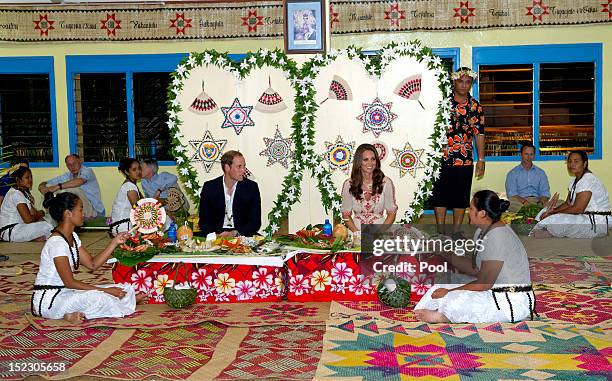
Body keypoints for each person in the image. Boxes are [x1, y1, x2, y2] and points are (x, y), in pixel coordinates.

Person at [415, 190, 536, 324]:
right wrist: (443, 252)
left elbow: (484, 284)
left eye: (471, 208)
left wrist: (449, 292)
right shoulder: (481, 231)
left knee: (452, 298)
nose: (468, 211)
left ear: (482, 213)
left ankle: (441, 316)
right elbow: (474, 269)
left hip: (510, 300)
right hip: (493, 291)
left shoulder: (498, 235)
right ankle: (441, 310)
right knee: (445, 283)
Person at [32, 192, 144, 323]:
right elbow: (70, 282)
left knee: (124, 288)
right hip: (49, 301)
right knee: (100, 297)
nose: (83, 214)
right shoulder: (57, 243)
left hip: (65, 293)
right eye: (80, 209)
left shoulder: (72, 237)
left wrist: (115, 242)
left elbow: (92, 265)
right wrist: (106, 291)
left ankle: (124, 301)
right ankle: (65, 315)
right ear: (68, 213)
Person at [429, 67, 485, 237]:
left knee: (460, 197)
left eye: (468, 82)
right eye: (460, 81)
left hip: (465, 159)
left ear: (471, 84)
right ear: (454, 82)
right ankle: (440, 231)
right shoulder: (441, 103)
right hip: (441, 159)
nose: (464, 85)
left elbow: (479, 134)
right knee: (440, 195)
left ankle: (457, 233)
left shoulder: (475, 107)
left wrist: (481, 159)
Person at [530, 151, 611, 239]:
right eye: (570, 161)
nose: (572, 164)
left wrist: (553, 214)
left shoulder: (588, 179)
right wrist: (551, 211)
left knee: (556, 219)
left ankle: (550, 232)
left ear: (584, 164)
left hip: (597, 222)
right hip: (583, 217)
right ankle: (549, 229)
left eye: (576, 161)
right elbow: (568, 204)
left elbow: (578, 209)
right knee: (544, 211)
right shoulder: (574, 181)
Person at [198, 150, 261, 237]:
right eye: (239, 166)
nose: (243, 170)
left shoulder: (251, 187)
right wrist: (214, 236)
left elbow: (255, 222)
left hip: (241, 234)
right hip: (216, 234)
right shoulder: (210, 187)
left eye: (244, 166)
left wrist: (235, 233)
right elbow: (204, 220)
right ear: (227, 167)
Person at [341, 144, 398, 233]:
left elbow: (392, 214)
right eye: (365, 160)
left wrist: (378, 234)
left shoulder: (386, 183)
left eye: (373, 159)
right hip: (356, 233)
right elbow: (345, 215)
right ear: (359, 162)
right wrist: (356, 233)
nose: (370, 163)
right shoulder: (349, 184)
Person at [38, 154, 105, 219]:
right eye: (69, 165)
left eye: (74, 163)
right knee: (50, 187)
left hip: (95, 211)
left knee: (72, 189)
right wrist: (42, 187)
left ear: (80, 161)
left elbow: (80, 181)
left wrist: (58, 186)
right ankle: (50, 214)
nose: (72, 167)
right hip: (79, 209)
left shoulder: (87, 171)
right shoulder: (68, 175)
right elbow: (47, 183)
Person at [0, 167, 53, 242]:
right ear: (18, 180)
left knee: (47, 224)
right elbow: (28, 219)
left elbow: (35, 214)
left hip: (19, 228)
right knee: (47, 227)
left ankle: (36, 238)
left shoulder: (24, 193)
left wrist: (43, 218)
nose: (30, 180)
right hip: (10, 232)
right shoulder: (15, 193)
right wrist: (42, 213)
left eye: (31, 177)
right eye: (27, 178)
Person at [505, 143, 550, 212]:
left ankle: (534, 211)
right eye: (526, 154)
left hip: (538, 201)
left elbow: (545, 193)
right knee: (509, 204)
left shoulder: (540, 173)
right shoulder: (513, 173)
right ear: (521, 154)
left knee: (560, 203)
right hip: (520, 202)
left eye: (531, 154)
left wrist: (540, 203)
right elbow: (512, 194)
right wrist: (524, 202)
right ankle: (538, 213)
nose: (529, 157)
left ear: (534, 155)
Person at [110, 158, 143, 236]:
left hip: (122, 225)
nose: (138, 171)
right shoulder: (129, 186)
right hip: (123, 227)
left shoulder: (131, 184)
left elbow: (144, 203)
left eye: (139, 168)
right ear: (127, 172)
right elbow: (139, 209)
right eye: (134, 170)